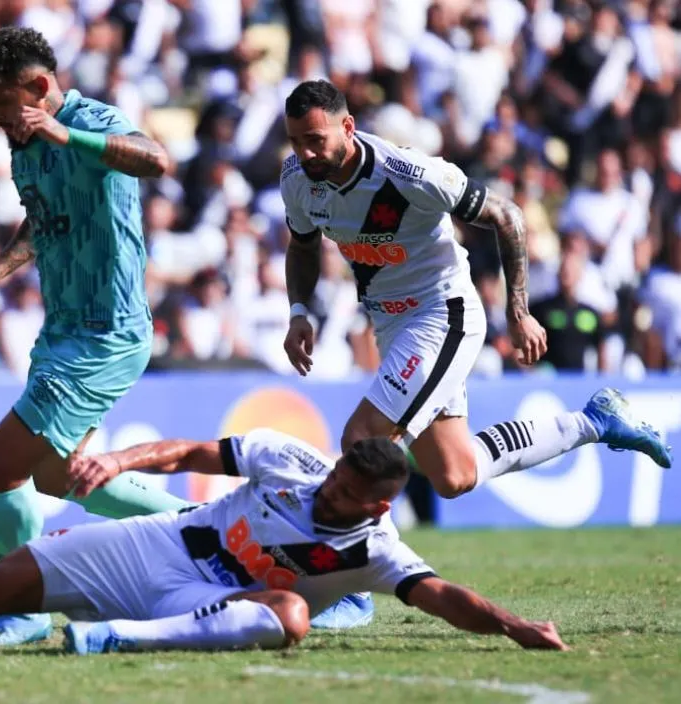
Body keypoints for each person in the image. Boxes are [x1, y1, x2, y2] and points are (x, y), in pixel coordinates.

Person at [0, 430, 568, 656]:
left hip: (200, 601)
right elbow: (184, 453)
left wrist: (510, 623)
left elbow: (443, 597)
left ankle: (110, 641)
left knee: (290, 616)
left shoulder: (379, 549)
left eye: (351, 494)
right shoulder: (291, 460)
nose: (333, 494)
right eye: (337, 480)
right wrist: (117, 460)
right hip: (157, 546)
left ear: (382, 502)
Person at [0, 26, 195, 647]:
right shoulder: (26, 146)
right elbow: (45, 220)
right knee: (62, 477)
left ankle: (21, 607)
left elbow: (157, 159)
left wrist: (67, 133)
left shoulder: (92, 120)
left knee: (0, 464)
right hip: (63, 332)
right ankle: (204, 528)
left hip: (107, 333)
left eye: (1, 101)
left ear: (40, 87)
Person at [278, 80, 671, 498]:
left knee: (362, 440)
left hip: (442, 315)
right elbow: (303, 246)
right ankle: (595, 421)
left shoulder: (409, 174)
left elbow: (507, 216)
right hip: (391, 324)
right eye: (297, 141)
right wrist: (299, 311)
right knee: (455, 474)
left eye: (316, 140)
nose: (305, 153)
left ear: (349, 127)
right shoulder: (297, 180)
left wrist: (517, 311)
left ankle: (364, 559)